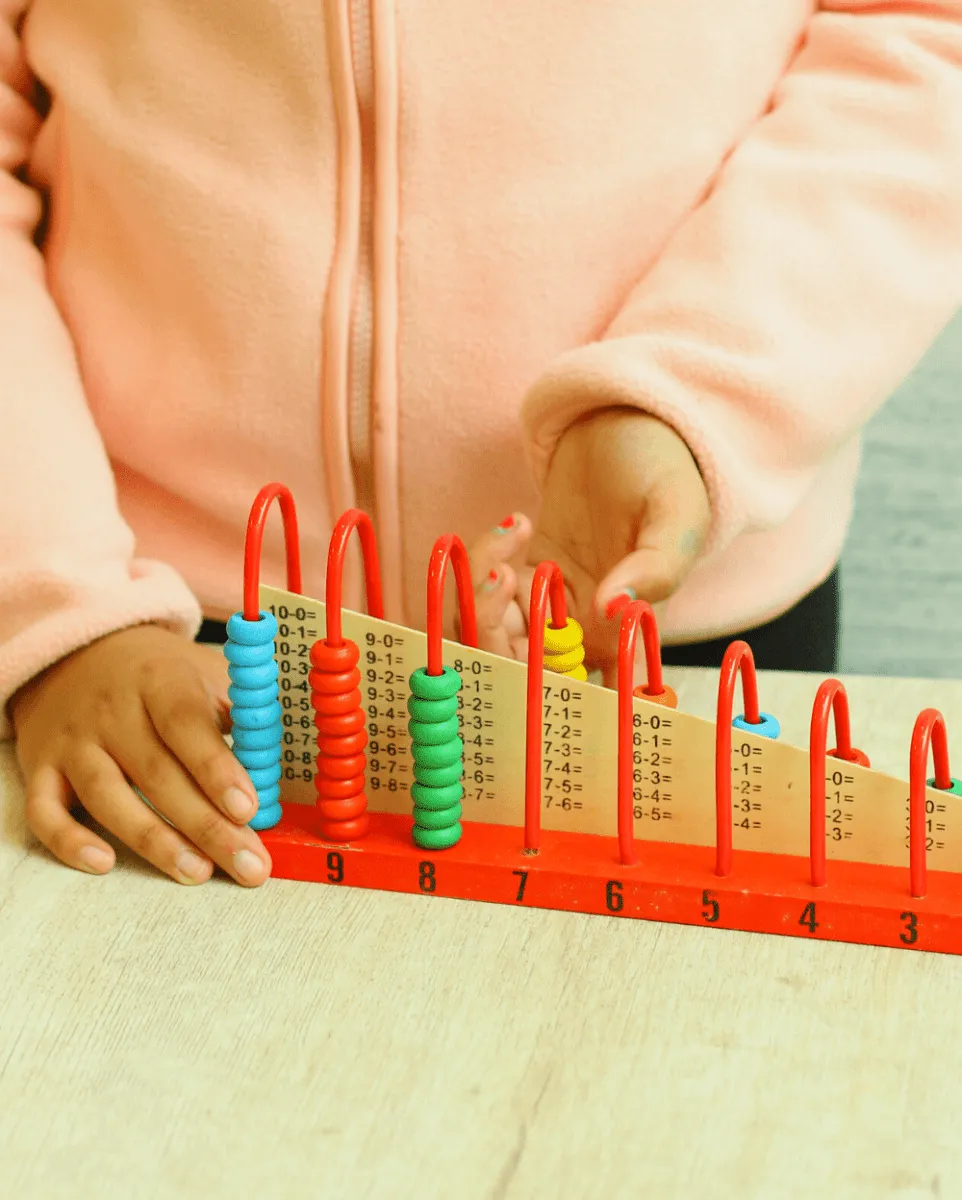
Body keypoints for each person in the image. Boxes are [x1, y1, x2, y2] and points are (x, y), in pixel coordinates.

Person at [2, 1, 961, 888]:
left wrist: (696, 390)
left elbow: (922, 37)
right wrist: (54, 594)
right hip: (140, 652)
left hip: (670, 612)